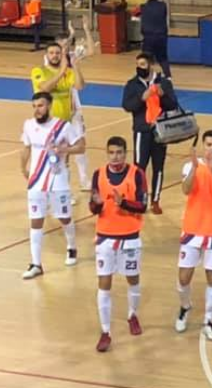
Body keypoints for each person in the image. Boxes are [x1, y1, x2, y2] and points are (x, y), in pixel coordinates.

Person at [174, 130, 212, 341]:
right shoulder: (190, 166)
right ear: (203, 145)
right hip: (193, 229)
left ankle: (208, 320)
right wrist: (194, 169)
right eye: (209, 144)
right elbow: (185, 189)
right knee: (184, 277)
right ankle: (185, 306)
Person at [89, 136, 148, 352]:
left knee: (132, 279)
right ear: (107, 153)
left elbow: (143, 206)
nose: (115, 157)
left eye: (119, 152)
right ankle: (105, 332)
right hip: (105, 236)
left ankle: (132, 315)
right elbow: (94, 207)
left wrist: (123, 203)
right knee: (104, 283)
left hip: (130, 236)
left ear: (126, 153)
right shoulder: (98, 174)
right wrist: (95, 205)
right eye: (111, 152)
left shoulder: (137, 174)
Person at [20, 92, 85, 279]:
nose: (37, 110)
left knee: (64, 217)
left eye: (40, 106)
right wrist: (23, 168)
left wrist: (65, 149)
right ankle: (36, 264)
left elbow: (81, 146)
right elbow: (26, 148)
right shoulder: (28, 125)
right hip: (36, 181)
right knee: (36, 220)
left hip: (58, 180)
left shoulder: (63, 126)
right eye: (34, 106)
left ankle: (72, 247)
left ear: (49, 106)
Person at [122, 52, 178, 215]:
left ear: (151, 65)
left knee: (158, 167)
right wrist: (142, 98)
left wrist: (163, 96)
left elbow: (173, 105)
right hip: (142, 131)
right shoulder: (132, 84)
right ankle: (140, 199)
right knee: (139, 167)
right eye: (137, 65)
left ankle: (156, 200)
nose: (139, 68)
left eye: (143, 64)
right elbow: (127, 106)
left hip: (160, 132)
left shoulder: (164, 83)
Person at [49, 16, 95, 193]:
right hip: (59, 112)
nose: (64, 46)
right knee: (63, 151)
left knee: (80, 145)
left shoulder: (72, 57)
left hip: (75, 109)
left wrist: (86, 29)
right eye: (61, 44)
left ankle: (84, 180)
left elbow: (91, 51)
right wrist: (71, 35)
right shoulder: (50, 61)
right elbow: (62, 50)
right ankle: (63, 189)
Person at [31, 42, 85, 124]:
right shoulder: (38, 71)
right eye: (51, 53)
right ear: (46, 55)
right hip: (47, 119)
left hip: (65, 119)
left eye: (57, 53)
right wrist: (62, 71)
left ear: (62, 55)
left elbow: (79, 86)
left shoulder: (69, 72)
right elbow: (45, 88)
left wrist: (75, 67)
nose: (55, 55)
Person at [140, 0, 171, 78]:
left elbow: (143, 23)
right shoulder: (163, 6)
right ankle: (168, 76)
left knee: (145, 58)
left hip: (148, 37)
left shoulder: (143, 7)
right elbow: (165, 15)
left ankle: (144, 76)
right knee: (163, 58)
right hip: (161, 37)